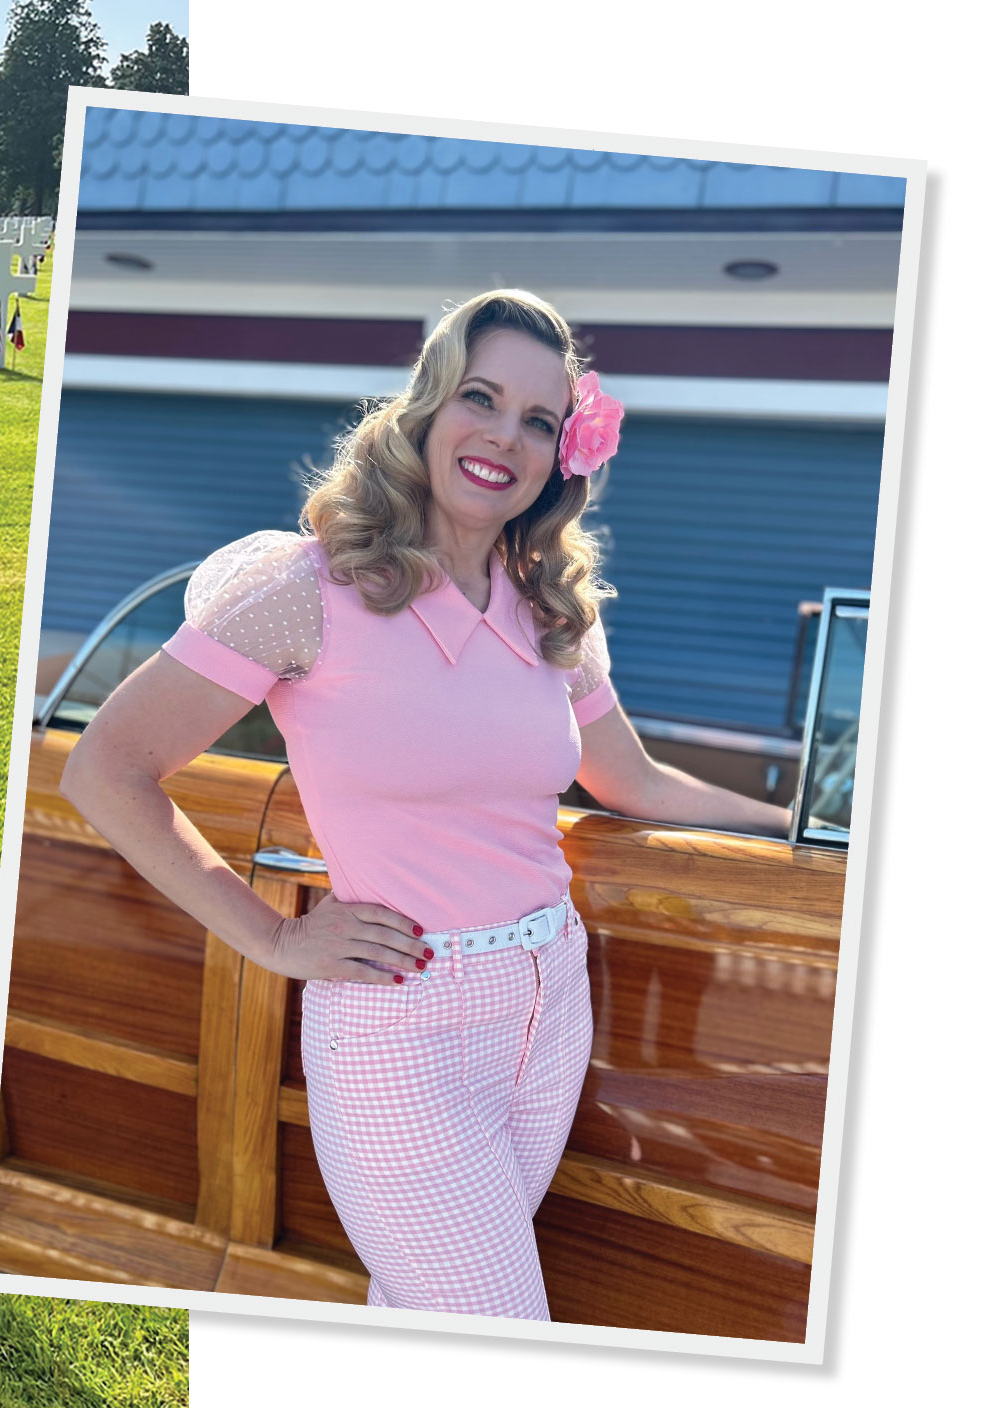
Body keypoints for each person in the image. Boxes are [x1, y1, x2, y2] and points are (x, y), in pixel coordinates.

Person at [59, 290, 791, 1320]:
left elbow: (630, 782)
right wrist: (271, 937)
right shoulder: (307, 588)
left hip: (552, 1008)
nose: (505, 436)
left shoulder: (551, 609)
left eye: (540, 420)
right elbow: (105, 769)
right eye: (481, 398)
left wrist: (807, 827)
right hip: (403, 1032)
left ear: (560, 452)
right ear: (428, 408)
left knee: (421, 1316)